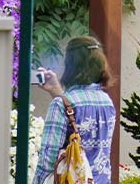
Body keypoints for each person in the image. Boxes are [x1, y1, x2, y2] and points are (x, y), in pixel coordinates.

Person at [33, 36, 117, 184]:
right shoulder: (107, 102)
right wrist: (56, 90)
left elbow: (47, 160)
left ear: (70, 64)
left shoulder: (59, 105)